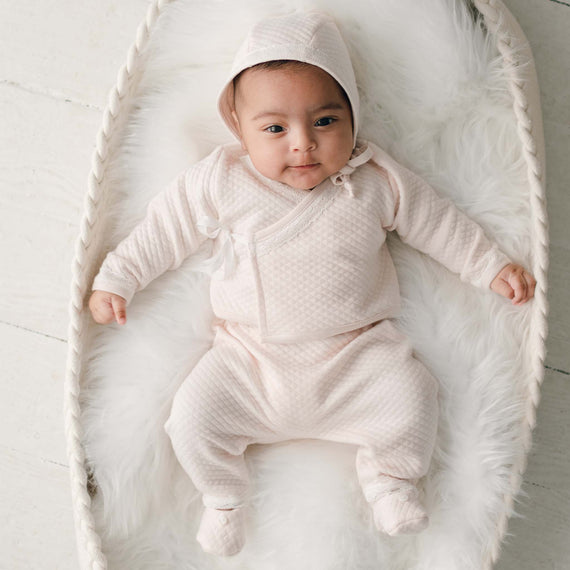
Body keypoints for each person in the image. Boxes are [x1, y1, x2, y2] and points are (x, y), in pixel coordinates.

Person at [88, 10, 536, 557]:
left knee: (412, 396)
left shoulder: (375, 180)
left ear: (351, 114)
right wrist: (118, 278)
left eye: (325, 121)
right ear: (238, 127)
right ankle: (224, 496)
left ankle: (389, 478)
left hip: (357, 357)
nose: (302, 144)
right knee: (191, 419)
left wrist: (490, 265)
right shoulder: (221, 180)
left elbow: (438, 223)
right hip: (249, 361)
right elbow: (162, 230)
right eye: (275, 128)